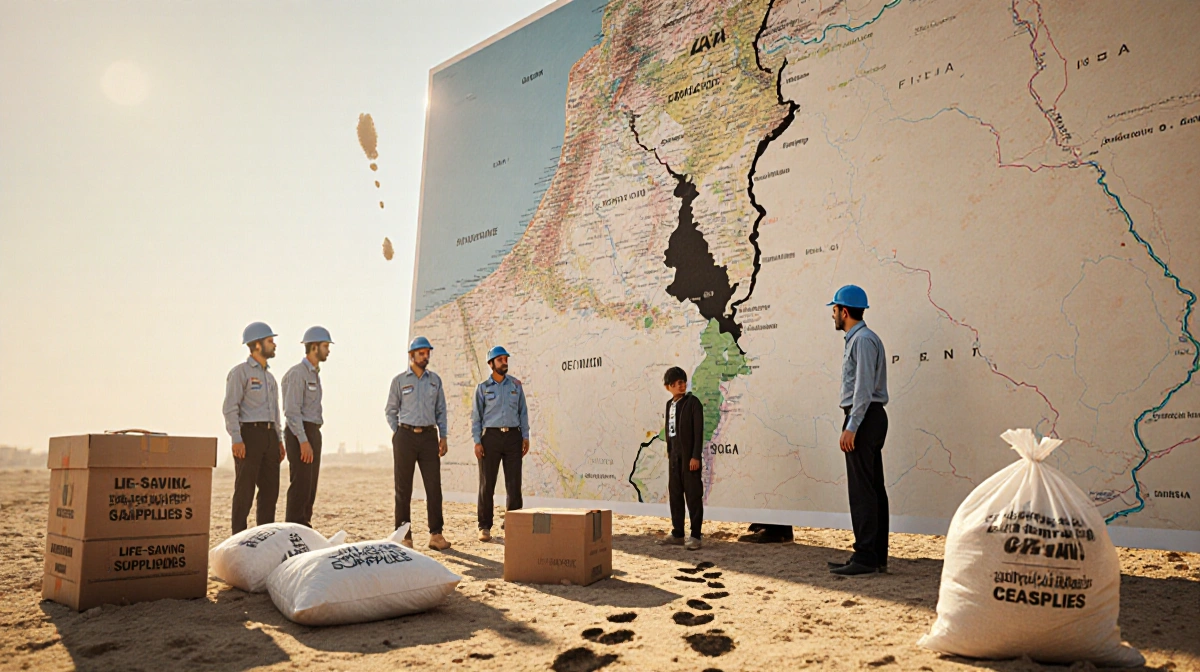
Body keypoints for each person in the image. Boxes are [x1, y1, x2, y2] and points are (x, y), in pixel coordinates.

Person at [826, 285, 890, 576]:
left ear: (846, 312)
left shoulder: (862, 340)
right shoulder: (862, 338)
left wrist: (852, 425)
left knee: (863, 490)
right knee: (873, 488)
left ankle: (865, 557)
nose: (833, 315)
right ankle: (874, 557)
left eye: (835, 310)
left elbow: (863, 389)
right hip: (870, 417)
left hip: (862, 418)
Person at [385, 336, 451, 551]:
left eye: (427, 353)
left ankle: (436, 534)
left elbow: (441, 410)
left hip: (429, 437)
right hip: (405, 436)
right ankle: (405, 536)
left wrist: (443, 436)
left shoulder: (435, 381)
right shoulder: (399, 381)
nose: (425, 356)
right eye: (421, 353)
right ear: (411, 355)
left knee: (433, 487)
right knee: (403, 488)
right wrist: (398, 434)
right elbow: (390, 410)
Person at [222, 321, 285, 534]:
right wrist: (236, 439)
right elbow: (230, 408)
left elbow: (275, 412)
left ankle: (264, 538)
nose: (274, 345)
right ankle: (238, 538)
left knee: (270, 492)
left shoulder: (270, 377)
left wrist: (279, 440)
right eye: (270, 341)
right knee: (244, 490)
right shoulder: (240, 373)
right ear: (257, 345)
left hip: (269, 436)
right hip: (249, 435)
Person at [472, 345, 529, 542]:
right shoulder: (482, 388)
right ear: (491, 364)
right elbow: (476, 418)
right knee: (487, 484)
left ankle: (514, 523)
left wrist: (525, 436)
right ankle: (484, 526)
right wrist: (477, 442)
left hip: (513, 437)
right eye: (500, 360)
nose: (504, 363)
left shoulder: (516, 386)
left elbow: (523, 412)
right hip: (491, 438)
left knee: (514, 483)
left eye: (506, 359)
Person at [282, 326, 331, 528]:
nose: (328, 350)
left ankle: (304, 524)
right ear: (313, 347)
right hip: (299, 432)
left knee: (310, 485)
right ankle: (294, 526)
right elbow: (292, 411)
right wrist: (303, 440)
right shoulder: (297, 374)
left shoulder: (314, 374)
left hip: (313, 431)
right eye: (325, 346)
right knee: (300, 483)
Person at [659, 366, 705, 550]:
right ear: (668, 386)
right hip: (674, 457)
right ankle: (678, 533)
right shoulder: (669, 405)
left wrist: (695, 456)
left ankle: (695, 535)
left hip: (689, 458)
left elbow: (698, 432)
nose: (682, 385)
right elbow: (669, 432)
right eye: (678, 383)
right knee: (675, 494)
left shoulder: (693, 403)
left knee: (693, 496)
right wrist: (670, 452)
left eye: (683, 382)